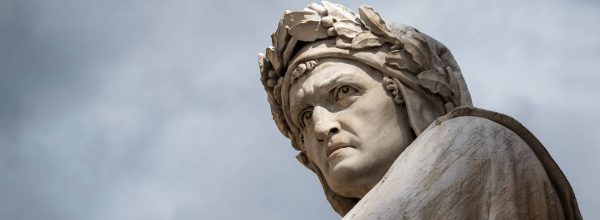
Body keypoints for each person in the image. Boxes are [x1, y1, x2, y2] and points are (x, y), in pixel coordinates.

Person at [258, 2, 581, 219]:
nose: (320, 127)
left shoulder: (474, 142)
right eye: (304, 117)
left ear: (403, 93)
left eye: (344, 92)